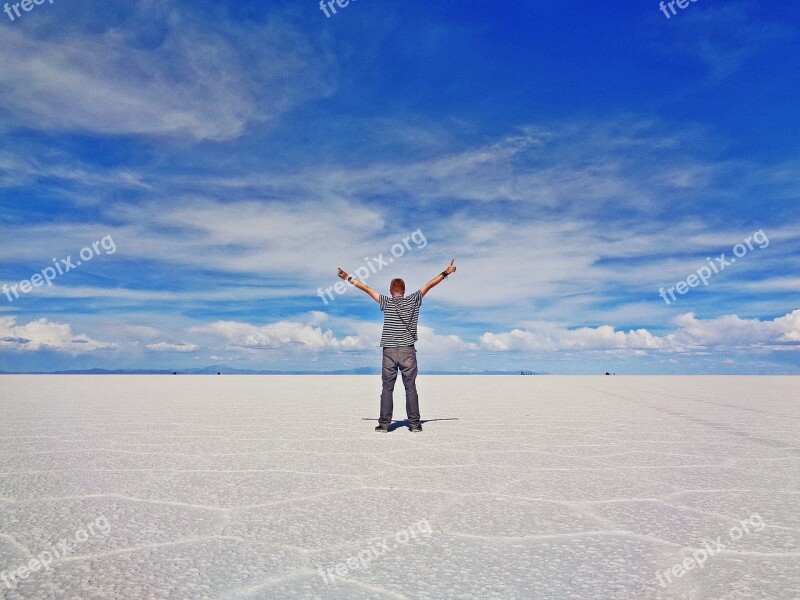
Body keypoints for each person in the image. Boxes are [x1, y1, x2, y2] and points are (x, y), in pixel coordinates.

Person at [337, 260, 457, 432]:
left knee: (387, 388)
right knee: (410, 387)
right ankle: (415, 424)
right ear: (404, 291)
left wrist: (347, 277)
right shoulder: (413, 300)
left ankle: (384, 425)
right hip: (408, 350)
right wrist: (446, 272)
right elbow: (430, 284)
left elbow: (366, 288)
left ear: (390, 291)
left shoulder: (386, 302)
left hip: (389, 352)